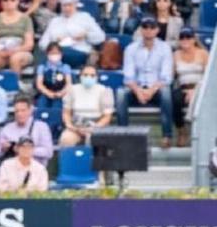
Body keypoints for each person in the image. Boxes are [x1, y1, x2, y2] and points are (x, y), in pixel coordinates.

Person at [117, 16, 174, 148]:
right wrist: (138, 91)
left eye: (152, 27)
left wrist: (151, 90)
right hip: (136, 88)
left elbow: (166, 77)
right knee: (121, 94)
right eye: (145, 27)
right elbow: (128, 77)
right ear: (141, 30)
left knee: (166, 92)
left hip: (156, 88)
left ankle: (167, 136)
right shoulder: (131, 49)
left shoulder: (165, 48)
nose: (148, 30)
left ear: (157, 30)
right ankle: (122, 136)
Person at [38, 0, 106, 69]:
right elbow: (42, 44)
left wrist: (86, 35)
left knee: (56, 55)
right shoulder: (55, 21)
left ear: (75, 4)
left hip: (79, 52)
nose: (67, 8)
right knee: (46, 56)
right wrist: (55, 42)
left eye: (69, 5)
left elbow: (101, 37)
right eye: (64, 5)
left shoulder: (85, 17)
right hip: (57, 52)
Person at [59, 65, 115, 147]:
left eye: (92, 75)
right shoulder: (72, 89)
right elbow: (66, 112)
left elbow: (107, 116)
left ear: (97, 77)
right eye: (85, 75)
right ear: (80, 76)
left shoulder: (104, 90)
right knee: (66, 139)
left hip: (97, 127)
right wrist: (70, 126)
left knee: (94, 141)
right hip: (76, 126)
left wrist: (94, 128)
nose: (88, 77)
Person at [172, 27, 208, 147]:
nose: (185, 40)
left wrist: (195, 90)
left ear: (194, 39)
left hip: (201, 87)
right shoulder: (176, 55)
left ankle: (199, 133)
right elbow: (171, 76)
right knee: (173, 99)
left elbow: (208, 75)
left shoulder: (203, 53)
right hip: (183, 87)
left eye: (188, 37)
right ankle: (182, 130)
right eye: (182, 37)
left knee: (200, 98)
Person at [0, 94, 54, 165]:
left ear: (30, 110)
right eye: (17, 111)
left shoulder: (41, 127)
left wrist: (24, 150)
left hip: (34, 167)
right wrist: (3, 149)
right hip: (11, 167)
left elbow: (48, 152)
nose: (19, 114)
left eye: (23, 110)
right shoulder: (7, 128)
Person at [35, 42, 73, 109]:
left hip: (61, 94)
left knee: (58, 106)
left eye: (57, 53)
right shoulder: (42, 67)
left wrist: (61, 93)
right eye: (52, 53)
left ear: (61, 54)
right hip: (45, 93)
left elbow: (68, 84)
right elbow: (39, 84)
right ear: (47, 54)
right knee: (42, 104)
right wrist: (48, 93)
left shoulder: (65, 67)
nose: (54, 55)